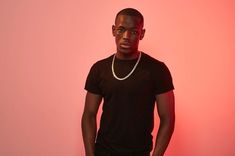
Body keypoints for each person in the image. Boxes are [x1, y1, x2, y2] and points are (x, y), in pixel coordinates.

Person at [81, 8, 175, 156]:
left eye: (133, 32)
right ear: (113, 30)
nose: (126, 36)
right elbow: (89, 114)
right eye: (121, 30)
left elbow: (167, 118)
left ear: (141, 34)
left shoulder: (157, 70)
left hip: (139, 152)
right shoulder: (99, 69)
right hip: (103, 151)